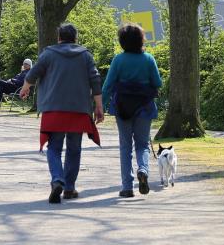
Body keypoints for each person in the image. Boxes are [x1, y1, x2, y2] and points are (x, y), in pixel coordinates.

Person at [21, 24, 103, 204]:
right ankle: (69, 187)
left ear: (59, 37)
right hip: (79, 109)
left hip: (53, 109)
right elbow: (95, 80)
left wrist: (25, 88)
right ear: (75, 38)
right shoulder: (85, 55)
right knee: (74, 149)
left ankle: (57, 178)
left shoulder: (48, 54)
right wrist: (99, 106)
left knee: (54, 147)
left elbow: (33, 73)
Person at [102, 24, 162, 198]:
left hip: (123, 107)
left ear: (122, 41)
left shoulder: (118, 60)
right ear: (141, 40)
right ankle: (143, 170)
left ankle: (127, 187)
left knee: (125, 146)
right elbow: (158, 83)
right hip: (144, 106)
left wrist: (98, 107)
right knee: (142, 144)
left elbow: (108, 86)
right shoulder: (149, 59)